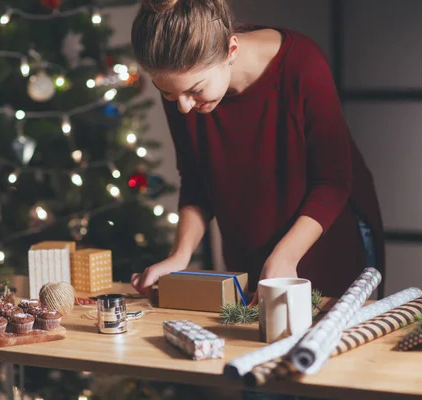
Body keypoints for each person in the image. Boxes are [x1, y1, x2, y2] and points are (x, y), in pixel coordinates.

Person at [129, 0, 385, 306]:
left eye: (195, 90)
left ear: (231, 50)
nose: (183, 106)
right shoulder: (183, 90)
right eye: (167, 93)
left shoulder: (302, 64)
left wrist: (284, 257)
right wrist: (178, 256)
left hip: (329, 238)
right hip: (249, 246)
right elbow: (197, 181)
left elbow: (334, 180)